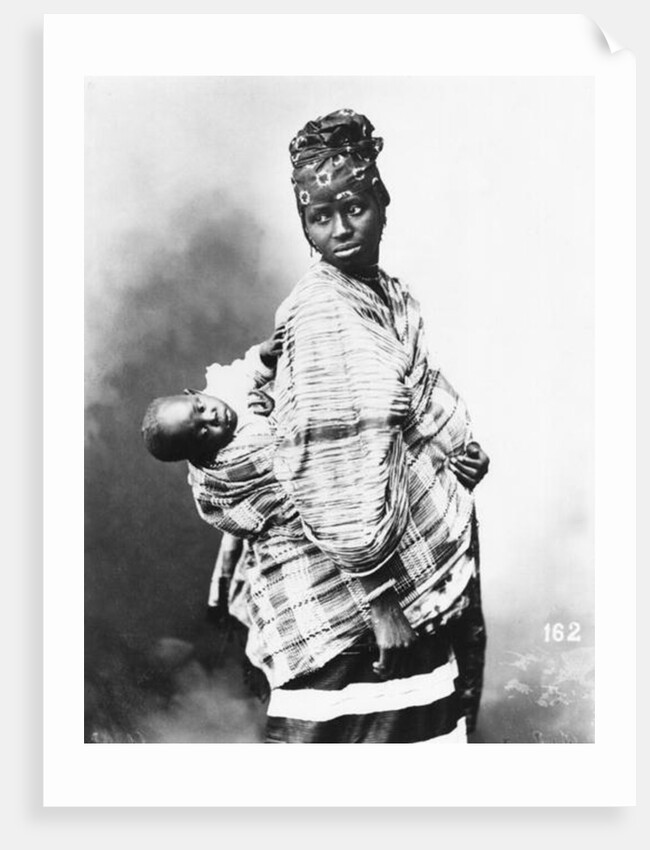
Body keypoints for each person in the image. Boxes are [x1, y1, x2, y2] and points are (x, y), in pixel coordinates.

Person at [189, 108, 489, 743]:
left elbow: (418, 396)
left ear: (382, 202)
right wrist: (380, 602)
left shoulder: (389, 292)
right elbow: (334, 465)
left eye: (352, 207)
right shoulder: (324, 309)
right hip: (353, 588)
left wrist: (459, 449)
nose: (340, 229)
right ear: (304, 227)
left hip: (394, 552)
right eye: (319, 218)